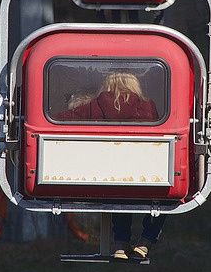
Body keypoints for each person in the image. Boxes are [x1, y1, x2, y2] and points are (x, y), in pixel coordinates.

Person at [55, 72, 165, 259]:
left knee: (119, 194)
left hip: (103, 175)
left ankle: (121, 245)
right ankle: (145, 241)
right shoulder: (148, 106)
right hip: (142, 173)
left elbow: (58, 119)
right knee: (163, 199)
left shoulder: (93, 105)